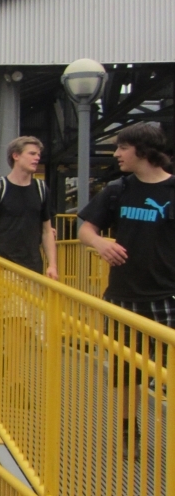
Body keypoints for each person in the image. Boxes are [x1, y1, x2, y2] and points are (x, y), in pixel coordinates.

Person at [78, 122, 175, 454]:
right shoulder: (117, 190)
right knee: (126, 371)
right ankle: (128, 432)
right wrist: (99, 243)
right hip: (123, 296)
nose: (116, 154)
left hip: (167, 296)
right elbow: (86, 228)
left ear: (143, 151)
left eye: (122, 147)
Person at [0, 136, 58, 279]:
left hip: (33, 268)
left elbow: (47, 231)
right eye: (32, 153)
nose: (37, 158)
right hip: (2, 266)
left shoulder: (41, 189)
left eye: (38, 154)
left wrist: (52, 265)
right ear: (16, 156)